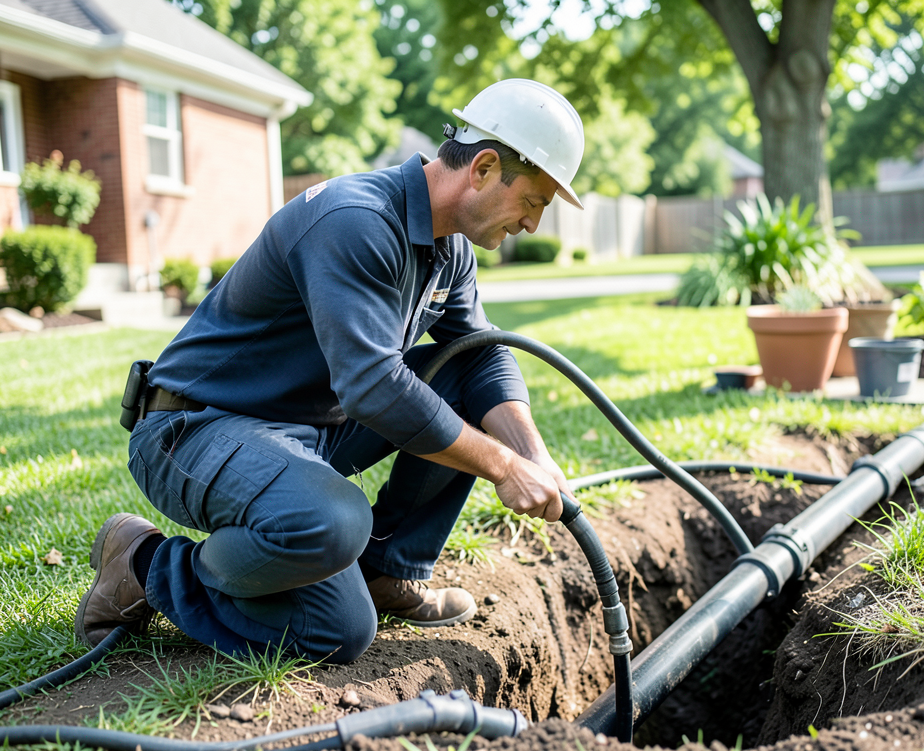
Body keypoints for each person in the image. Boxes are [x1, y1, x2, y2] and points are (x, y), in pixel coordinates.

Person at [74, 79, 585, 664]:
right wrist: (503, 466)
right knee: (337, 553)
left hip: (301, 431)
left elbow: (481, 354)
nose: (533, 224)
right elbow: (374, 387)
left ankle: (386, 571)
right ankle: (143, 563)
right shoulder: (356, 220)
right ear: (486, 168)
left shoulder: (451, 248)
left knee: (337, 625)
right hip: (195, 428)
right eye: (536, 201)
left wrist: (533, 454)